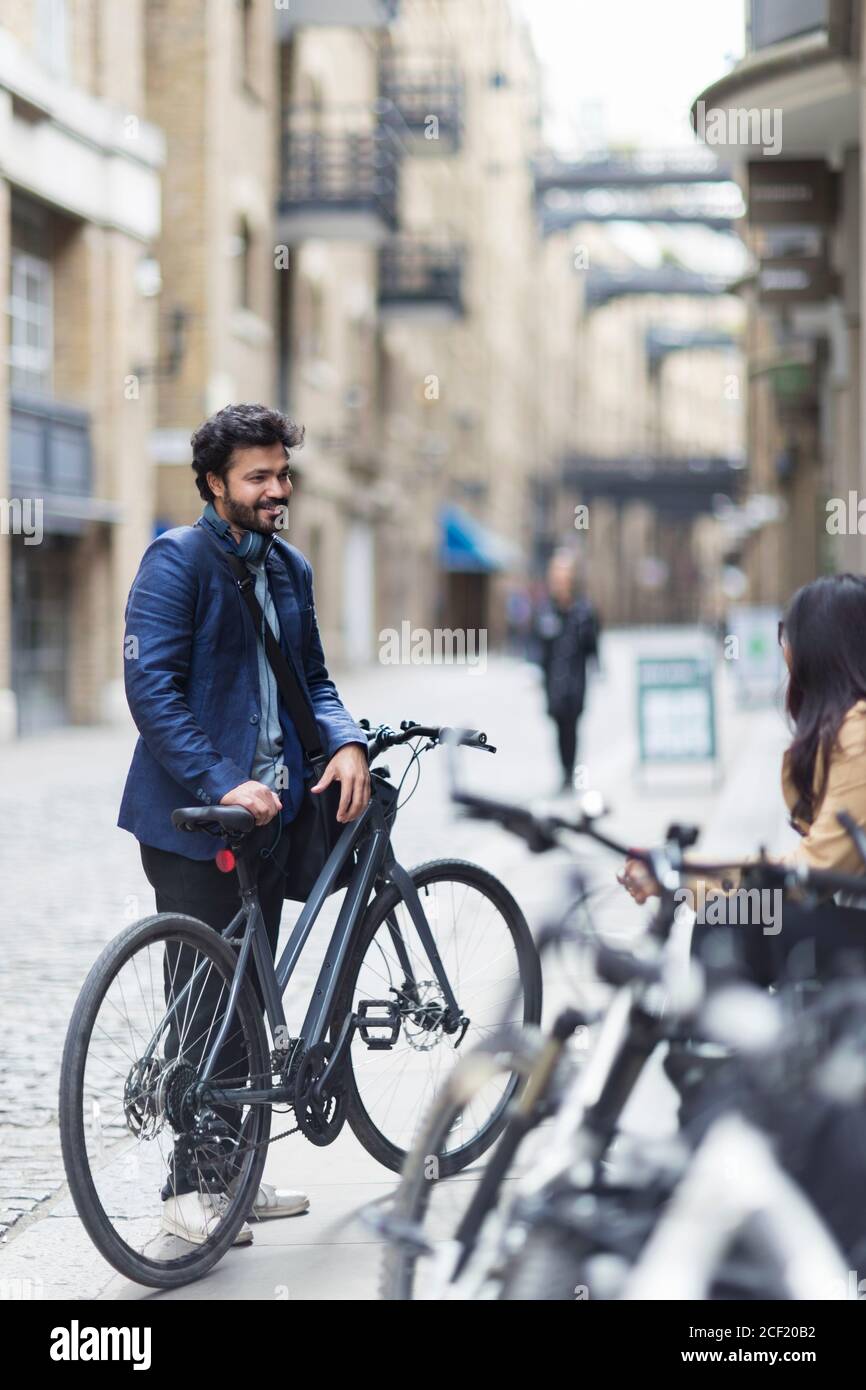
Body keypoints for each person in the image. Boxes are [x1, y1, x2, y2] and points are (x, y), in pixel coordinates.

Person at [118, 402, 371, 1245]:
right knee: (205, 1005)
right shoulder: (175, 562)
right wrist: (225, 782)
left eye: (282, 474)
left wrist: (344, 745)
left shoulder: (289, 569)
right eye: (257, 477)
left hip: (269, 816)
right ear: (213, 484)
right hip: (195, 819)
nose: (276, 489)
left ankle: (238, 1174)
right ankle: (190, 1191)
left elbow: (316, 682)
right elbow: (153, 695)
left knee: (252, 995)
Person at [619, 573, 866, 987]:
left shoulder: (858, 735)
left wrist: (683, 877)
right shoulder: (848, 727)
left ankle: (731, 1044)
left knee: (732, 919)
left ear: (821, 649)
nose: (784, 650)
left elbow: (808, 876)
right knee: (734, 915)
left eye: (788, 635)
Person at [534, 550, 600, 792]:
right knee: (558, 726)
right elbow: (538, 645)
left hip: (575, 680)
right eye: (555, 576)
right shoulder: (546, 610)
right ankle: (564, 770)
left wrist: (598, 667)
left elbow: (593, 645)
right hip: (553, 681)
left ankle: (570, 772)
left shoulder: (583, 610)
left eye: (563, 576)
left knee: (572, 726)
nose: (559, 582)